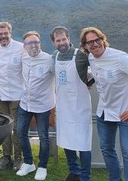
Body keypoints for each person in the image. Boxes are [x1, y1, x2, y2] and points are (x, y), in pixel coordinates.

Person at [80, 27, 128, 181]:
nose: (95, 44)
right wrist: (88, 80)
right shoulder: (91, 59)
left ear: (103, 39)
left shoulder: (121, 58)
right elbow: (97, 73)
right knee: (107, 149)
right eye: (90, 42)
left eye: (97, 40)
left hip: (127, 112)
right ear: (85, 46)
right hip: (105, 112)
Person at [51, 26, 93, 181]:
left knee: (83, 144)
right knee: (67, 140)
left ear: (69, 39)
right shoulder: (54, 56)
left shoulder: (81, 55)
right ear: (54, 42)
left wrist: (91, 80)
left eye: (63, 39)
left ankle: (85, 176)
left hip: (80, 107)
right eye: (58, 40)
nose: (61, 42)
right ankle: (74, 172)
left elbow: (97, 66)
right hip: (63, 107)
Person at [16, 31, 55, 180]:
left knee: (43, 137)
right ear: (24, 46)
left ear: (40, 43)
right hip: (25, 103)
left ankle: (42, 166)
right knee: (21, 133)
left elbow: (63, 74)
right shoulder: (23, 57)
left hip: (43, 105)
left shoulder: (49, 60)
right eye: (30, 43)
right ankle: (28, 163)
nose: (33, 45)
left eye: (36, 42)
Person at [0, 21, 24, 171]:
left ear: (10, 32)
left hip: (17, 94)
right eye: (0, 34)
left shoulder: (21, 48)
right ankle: (6, 157)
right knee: (3, 127)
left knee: (16, 128)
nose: (3, 36)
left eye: (5, 33)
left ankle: (18, 158)